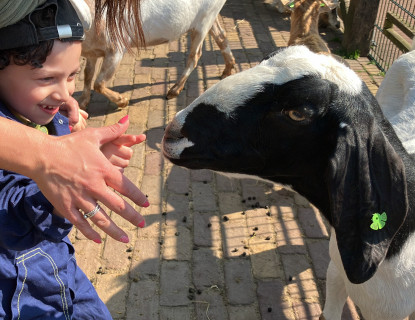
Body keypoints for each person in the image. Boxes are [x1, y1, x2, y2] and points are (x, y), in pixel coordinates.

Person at [0, 0, 138, 318]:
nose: (65, 93)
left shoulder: (51, 113)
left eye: (72, 76)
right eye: (47, 79)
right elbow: (11, 222)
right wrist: (58, 192)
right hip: (18, 290)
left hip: (60, 267)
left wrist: (81, 153)